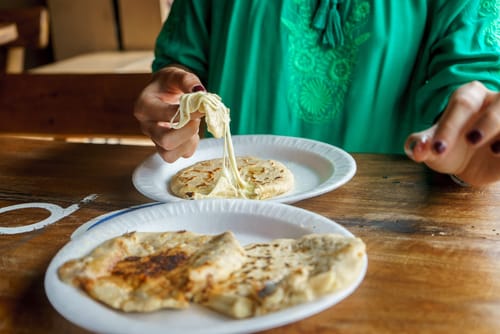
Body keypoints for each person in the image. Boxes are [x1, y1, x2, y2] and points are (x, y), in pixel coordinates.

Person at [134, 0, 500, 187]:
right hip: (226, 211)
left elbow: (473, 79)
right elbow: (182, 64)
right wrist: (176, 97)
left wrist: (465, 146)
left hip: (393, 230)